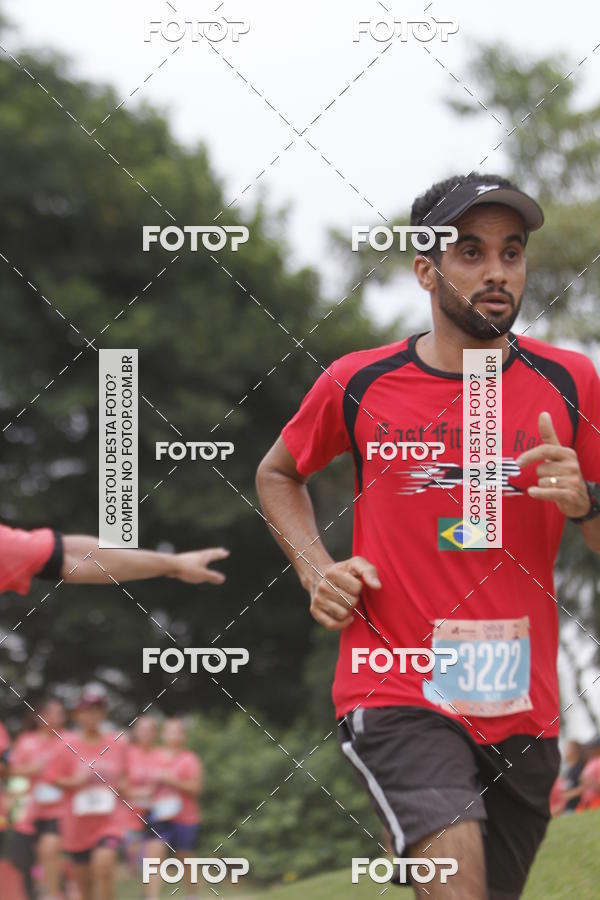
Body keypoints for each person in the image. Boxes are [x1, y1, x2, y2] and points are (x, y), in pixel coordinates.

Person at [256, 172, 600, 899]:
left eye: (511, 252)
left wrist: (587, 502)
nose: (497, 272)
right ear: (426, 270)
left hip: (523, 708)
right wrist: (315, 568)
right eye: (470, 252)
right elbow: (277, 473)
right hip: (396, 690)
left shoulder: (571, 384)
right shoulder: (361, 382)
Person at [45, 687, 127, 900]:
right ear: (77, 714)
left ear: (104, 713)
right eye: (87, 710)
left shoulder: (117, 744)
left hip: (109, 821)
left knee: (104, 865)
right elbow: (51, 777)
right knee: (85, 887)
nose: (92, 715)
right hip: (77, 825)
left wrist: (121, 787)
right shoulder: (66, 745)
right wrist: (74, 781)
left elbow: (126, 775)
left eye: (97, 710)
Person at [9, 699, 67, 899]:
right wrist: (30, 769)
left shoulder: (68, 741)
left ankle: (53, 893)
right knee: (23, 862)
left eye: (61, 713)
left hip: (58, 810)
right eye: (53, 712)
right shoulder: (26, 741)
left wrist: (63, 781)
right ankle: (37, 891)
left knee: (50, 850)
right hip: (29, 811)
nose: (58, 717)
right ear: (40, 716)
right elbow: (13, 769)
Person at [150, 719, 202, 900]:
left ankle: (192, 895)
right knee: (154, 855)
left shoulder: (189, 759)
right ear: (162, 735)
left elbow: (196, 788)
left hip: (185, 816)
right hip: (158, 815)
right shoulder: (153, 756)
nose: (173, 736)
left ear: (183, 736)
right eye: (169, 731)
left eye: (177, 732)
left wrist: (172, 780)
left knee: (185, 857)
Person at [122, 716, 163, 898]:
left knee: (154, 862)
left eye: (149, 730)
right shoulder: (127, 755)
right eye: (141, 730)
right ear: (135, 733)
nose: (145, 734)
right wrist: (137, 794)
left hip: (158, 815)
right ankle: (144, 893)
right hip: (131, 817)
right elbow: (117, 784)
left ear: (155, 733)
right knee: (136, 865)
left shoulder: (163, 755)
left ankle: (151, 896)